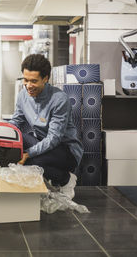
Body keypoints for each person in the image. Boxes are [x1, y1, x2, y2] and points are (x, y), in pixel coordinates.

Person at [9, 54, 83, 199]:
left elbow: (54, 138)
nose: (28, 86)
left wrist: (28, 153)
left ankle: (66, 180)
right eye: (25, 80)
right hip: (44, 145)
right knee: (14, 143)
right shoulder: (23, 95)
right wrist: (1, 134)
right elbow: (15, 122)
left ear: (46, 78)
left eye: (34, 81)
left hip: (65, 150)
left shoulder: (59, 99)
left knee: (31, 161)